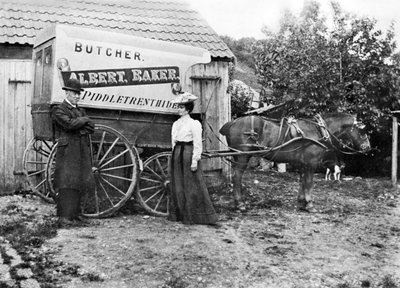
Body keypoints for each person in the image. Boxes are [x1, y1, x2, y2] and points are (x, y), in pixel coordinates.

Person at [168, 92, 218, 226]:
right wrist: (174, 156)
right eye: (178, 107)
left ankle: (195, 215)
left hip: (188, 153)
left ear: (188, 109)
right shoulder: (176, 124)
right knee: (178, 183)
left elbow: (197, 143)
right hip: (177, 153)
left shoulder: (194, 124)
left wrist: (195, 160)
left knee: (191, 184)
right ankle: (179, 213)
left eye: (182, 107)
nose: (179, 109)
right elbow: (173, 142)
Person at [51, 78, 95, 226]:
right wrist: (83, 121)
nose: (77, 96)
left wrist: (80, 123)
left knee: (79, 180)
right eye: (74, 93)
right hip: (68, 149)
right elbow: (69, 125)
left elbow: (91, 128)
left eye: (78, 94)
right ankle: (64, 216)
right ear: (67, 93)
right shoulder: (58, 109)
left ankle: (75, 214)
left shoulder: (80, 110)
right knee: (66, 181)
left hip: (80, 149)